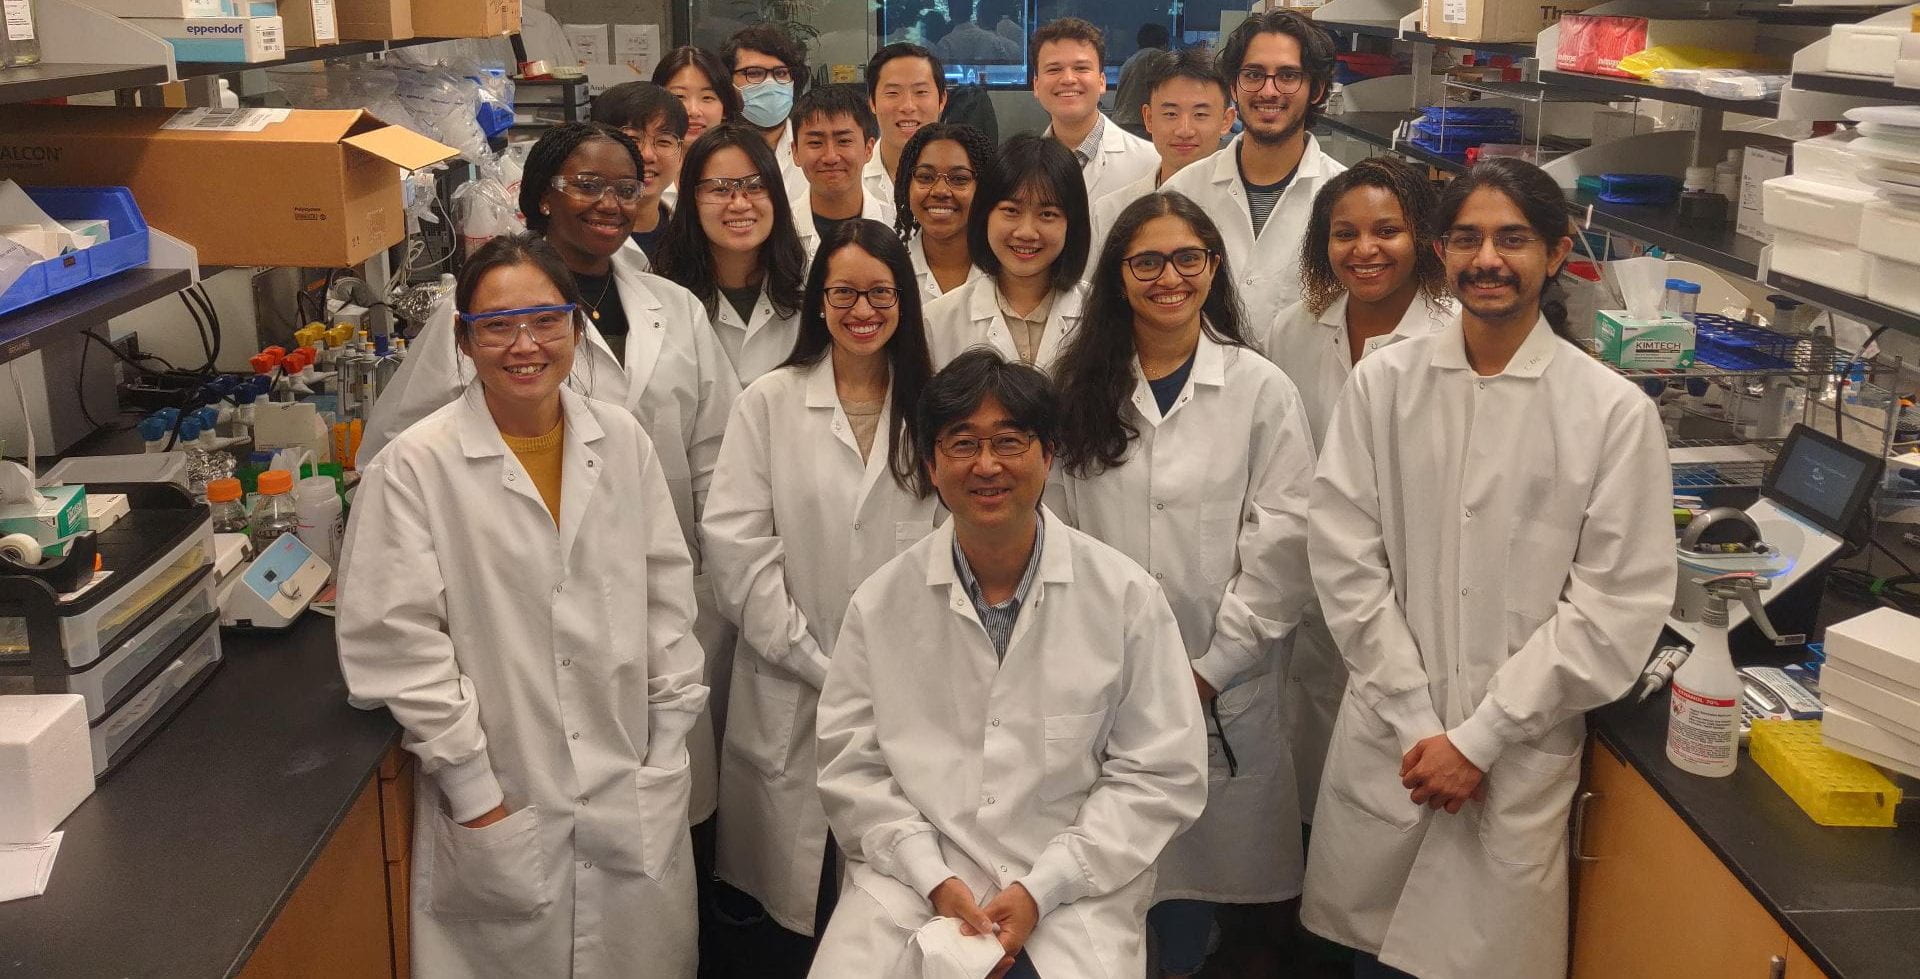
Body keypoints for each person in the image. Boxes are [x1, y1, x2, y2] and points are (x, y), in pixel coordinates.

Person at [1299, 159, 1674, 979]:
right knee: (1374, 961)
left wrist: (1481, 736)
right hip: (1395, 747)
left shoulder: (1611, 413)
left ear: (1557, 250)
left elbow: (1613, 607)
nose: (1487, 259)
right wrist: (1417, 725)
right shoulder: (1383, 386)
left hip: (1515, 757)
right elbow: (1345, 559)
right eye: (1466, 238)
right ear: (1441, 250)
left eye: (1512, 238)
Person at [337, 234, 707, 977]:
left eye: (545, 319)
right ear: (463, 342)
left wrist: (666, 752)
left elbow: (668, 601)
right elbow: (394, 643)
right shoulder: (415, 466)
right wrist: (476, 792)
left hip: (630, 785)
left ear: (576, 324)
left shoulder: (622, 441)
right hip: (499, 801)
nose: (525, 344)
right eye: (497, 326)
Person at [808, 349, 1208, 979]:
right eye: (962, 443)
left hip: (1073, 896)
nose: (987, 464)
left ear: (1048, 455)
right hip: (911, 889)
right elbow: (852, 768)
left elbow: (1157, 776)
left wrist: (1040, 888)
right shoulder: (881, 603)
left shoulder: (1126, 597)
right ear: (932, 465)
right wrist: (935, 879)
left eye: (1010, 441)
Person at [1050, 191, 1316, 979]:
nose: (1170, 277)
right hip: (1101, 677)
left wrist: (1209, 666)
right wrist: (1111, 663)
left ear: (1213, 266)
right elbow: (1056, 533)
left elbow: (1284, 541)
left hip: (1223, 683)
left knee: (1203, 873)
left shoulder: (1261, 389)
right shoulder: (1075, 389)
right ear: (1118, 275)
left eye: (1187, 258)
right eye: (1147, 261)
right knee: (1109, 878)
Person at [702, 220, 943, 976]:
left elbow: (961, 540)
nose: (862, 308)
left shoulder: (938, 406)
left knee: (895, 907)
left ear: (904, 298)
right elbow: (738, 548)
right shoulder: (770, 401)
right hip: (790, 680)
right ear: (819, 302)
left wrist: (886, 665)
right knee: (790, 913)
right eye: (844, 292)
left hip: (917, 685)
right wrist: (816, 656)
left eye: (880, 291)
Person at [1260, 156, 1456, 836]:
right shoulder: (1294, 330)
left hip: (1417, 594)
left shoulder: (1456, 334)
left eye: (1387, 231)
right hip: (1313, 590)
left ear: (1423, 239)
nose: (1364, 249)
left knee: (1401, 794)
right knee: (1313, 775)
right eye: (1345, 233)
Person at [1161, 10, 1344, 316]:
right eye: (1254, 74)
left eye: (1288, 76)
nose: (1268, 91)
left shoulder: (1342, 196)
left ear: (1317, 90)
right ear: (1233, 87)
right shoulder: (1182, 193)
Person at [653, 122, 809, 384]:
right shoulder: (660, 297)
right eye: (720, 188)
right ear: (692, 200)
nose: (739, 203)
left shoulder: (811, 283)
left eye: (756, 186)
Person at [923, 134, 1089, 371]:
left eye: (1047, 214)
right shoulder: (939, 319)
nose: (1026, 232)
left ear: (1072, 223)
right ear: (985, 215)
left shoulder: (1098, 313)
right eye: (1011, 210)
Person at [1089, 47, 1237, 267]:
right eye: (1170, 114)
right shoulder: (1111, 211)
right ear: (1148, 118)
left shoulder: (1241, 209)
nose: (1184, 130)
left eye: (1200, 115)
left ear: (1226, 120)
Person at [1032, 17, 1158, 207]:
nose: (1068, 79)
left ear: (1101, 82)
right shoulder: (1020, 167)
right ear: (1036, 85)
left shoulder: (1151, 163)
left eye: (1081, 68)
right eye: (1054, 69)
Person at [892, 122, 994, 305]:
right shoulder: (887, 268)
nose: (940, 191)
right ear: (906, 184)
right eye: (925, 177)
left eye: (959, 179)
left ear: (984, 187)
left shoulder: (1006, 271)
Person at [790, 84, 894, 256]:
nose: (831, 157)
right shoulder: (777, 230)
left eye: (844, 141)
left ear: (868, 149)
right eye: (815, 143)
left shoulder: (900, 228)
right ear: (795, 152)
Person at [589, 81, 688, 260]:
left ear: (680, 156)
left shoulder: (692, 233)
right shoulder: (576, 237)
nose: (648, 155)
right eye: (632, 139)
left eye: (664, 141)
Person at [722, 24, 812, 204]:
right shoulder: (715, 151)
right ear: (728, 81)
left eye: (780, 73)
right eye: (754, 73)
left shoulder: (814, 148)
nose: (770, 83)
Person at [865, 42, 948, 206]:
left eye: (921, 92)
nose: (907, 106)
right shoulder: (852, 176)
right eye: (892, 93)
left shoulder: (968, 180)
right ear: (872, 103)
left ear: (942, 100)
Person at [1109, 23, 1171, 139]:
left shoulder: (1130, 60)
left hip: (1119, 122)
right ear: (1164, 43)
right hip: (1139, 123)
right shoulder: (1155, 56)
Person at [932, 0, 1022, 66]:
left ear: (950, 13)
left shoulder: (945, 44)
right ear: (971, 11)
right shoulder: (992, 40)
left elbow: (942, 74)